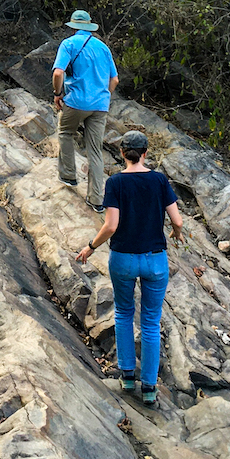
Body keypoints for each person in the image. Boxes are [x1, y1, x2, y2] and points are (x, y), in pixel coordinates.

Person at [76, 130, 183, 405]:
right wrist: (177, 233)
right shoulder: (159, 180)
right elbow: (177, 221)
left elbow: (111, 225)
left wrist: (90, 246)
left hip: (123, 258)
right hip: (155, 259)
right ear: (146, 152)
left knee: (124, 313)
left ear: (122, 153)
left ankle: (126, 376)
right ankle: (149, 387)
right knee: (150, 321)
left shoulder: (115, 183)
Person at [52, 9, 118, 210]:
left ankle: (69, 175)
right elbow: (114, 79)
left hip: (76, 101)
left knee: (65, 132)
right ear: (89, 26)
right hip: (100, 105)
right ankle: (97, 200)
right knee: (95, 151)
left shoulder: (69, 44)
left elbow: (58, 73)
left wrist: (58, 93)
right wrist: (103, 96)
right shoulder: (103, 48)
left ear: (73, 26)